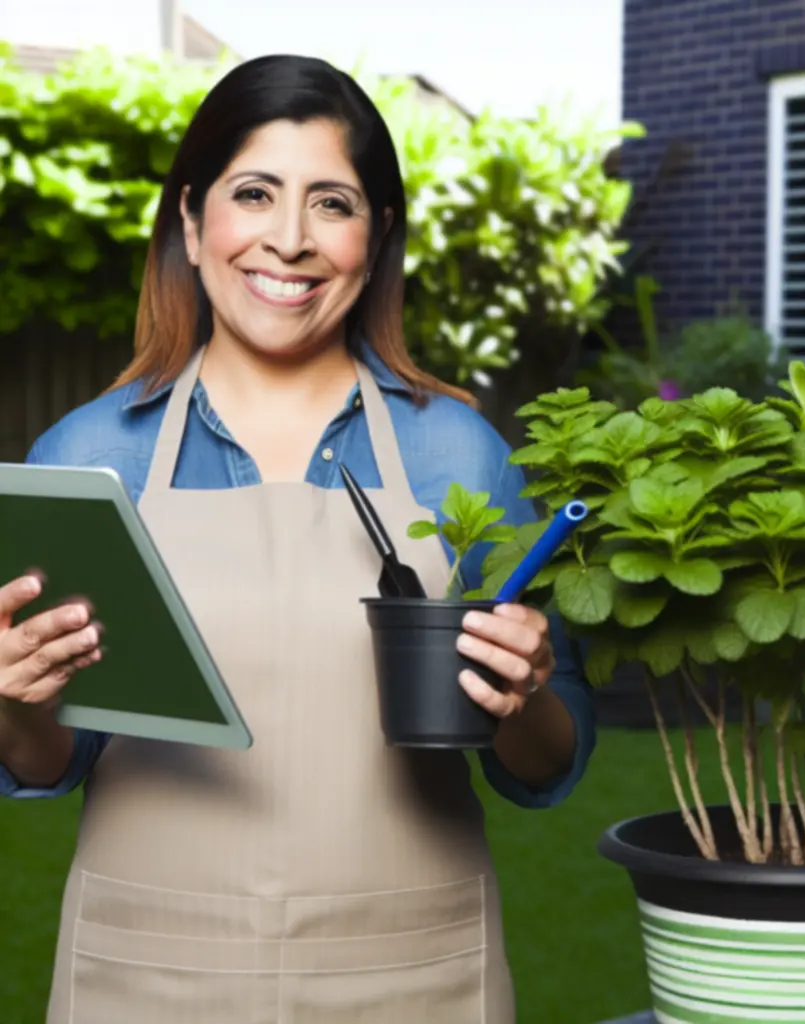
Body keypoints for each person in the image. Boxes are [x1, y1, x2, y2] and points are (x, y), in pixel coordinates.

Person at [0, 54, 595, 1023]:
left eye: (332, 203)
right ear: (192, 224)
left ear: (377, 237)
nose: (289, 240)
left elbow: (546, 763)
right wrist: (15, 700)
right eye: (254, 194)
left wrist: (522, 694)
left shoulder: (458, 451)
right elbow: (47, 759)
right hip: (151, 977)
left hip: (411, 974)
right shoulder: (89, 453)